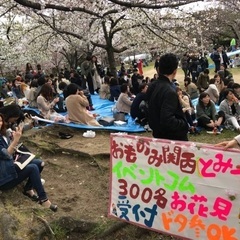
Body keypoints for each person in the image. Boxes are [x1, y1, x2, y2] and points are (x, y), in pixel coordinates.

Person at [0, 113, 57, 211]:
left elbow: (10, 152)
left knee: (39, 163)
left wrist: (13, 139)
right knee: (33, 168)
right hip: (4, 178)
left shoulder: (2, 135)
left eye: (0, 120)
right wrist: (15, 141)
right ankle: (44, 200)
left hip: (10, 167)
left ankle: (28, 189)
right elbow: (6, 154)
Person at [147, 53, 189, 141]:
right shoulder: (169, 91)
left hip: (157, 134)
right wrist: (184, 123)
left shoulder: (152, 85)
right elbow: (167, 120)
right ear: (175, 71)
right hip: (171, 138)